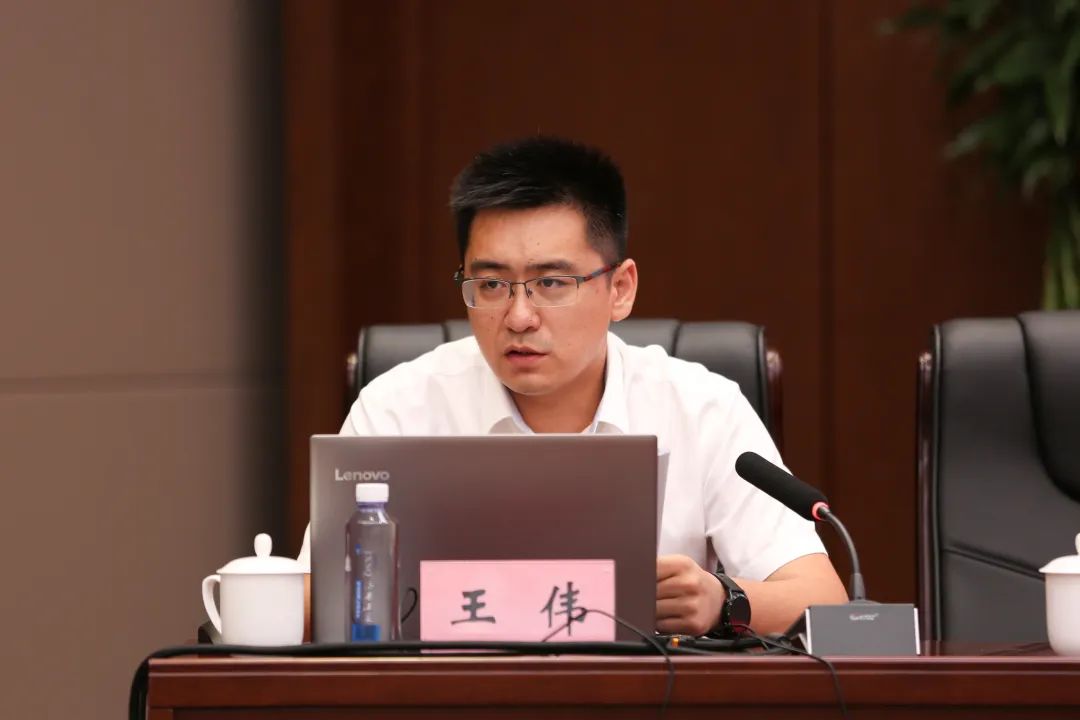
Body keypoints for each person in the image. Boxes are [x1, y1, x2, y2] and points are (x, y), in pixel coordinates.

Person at [305, 136, 847, 637]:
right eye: (490, 284)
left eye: (551, 282)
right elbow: (315, 604)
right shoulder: (397, 408)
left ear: (620, 289)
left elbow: (823, 601)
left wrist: (724, 599)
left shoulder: (702, 408)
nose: (519, 316)